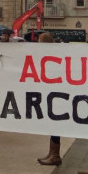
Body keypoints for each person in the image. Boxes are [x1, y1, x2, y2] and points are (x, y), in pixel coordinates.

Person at [36, 32, 62, 166]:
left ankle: (55, 155)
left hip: (55, 94)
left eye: (40, 40)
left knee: (55, 124)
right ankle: (52, 152)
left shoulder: (52, 55)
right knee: (52, 124)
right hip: (51, 94)